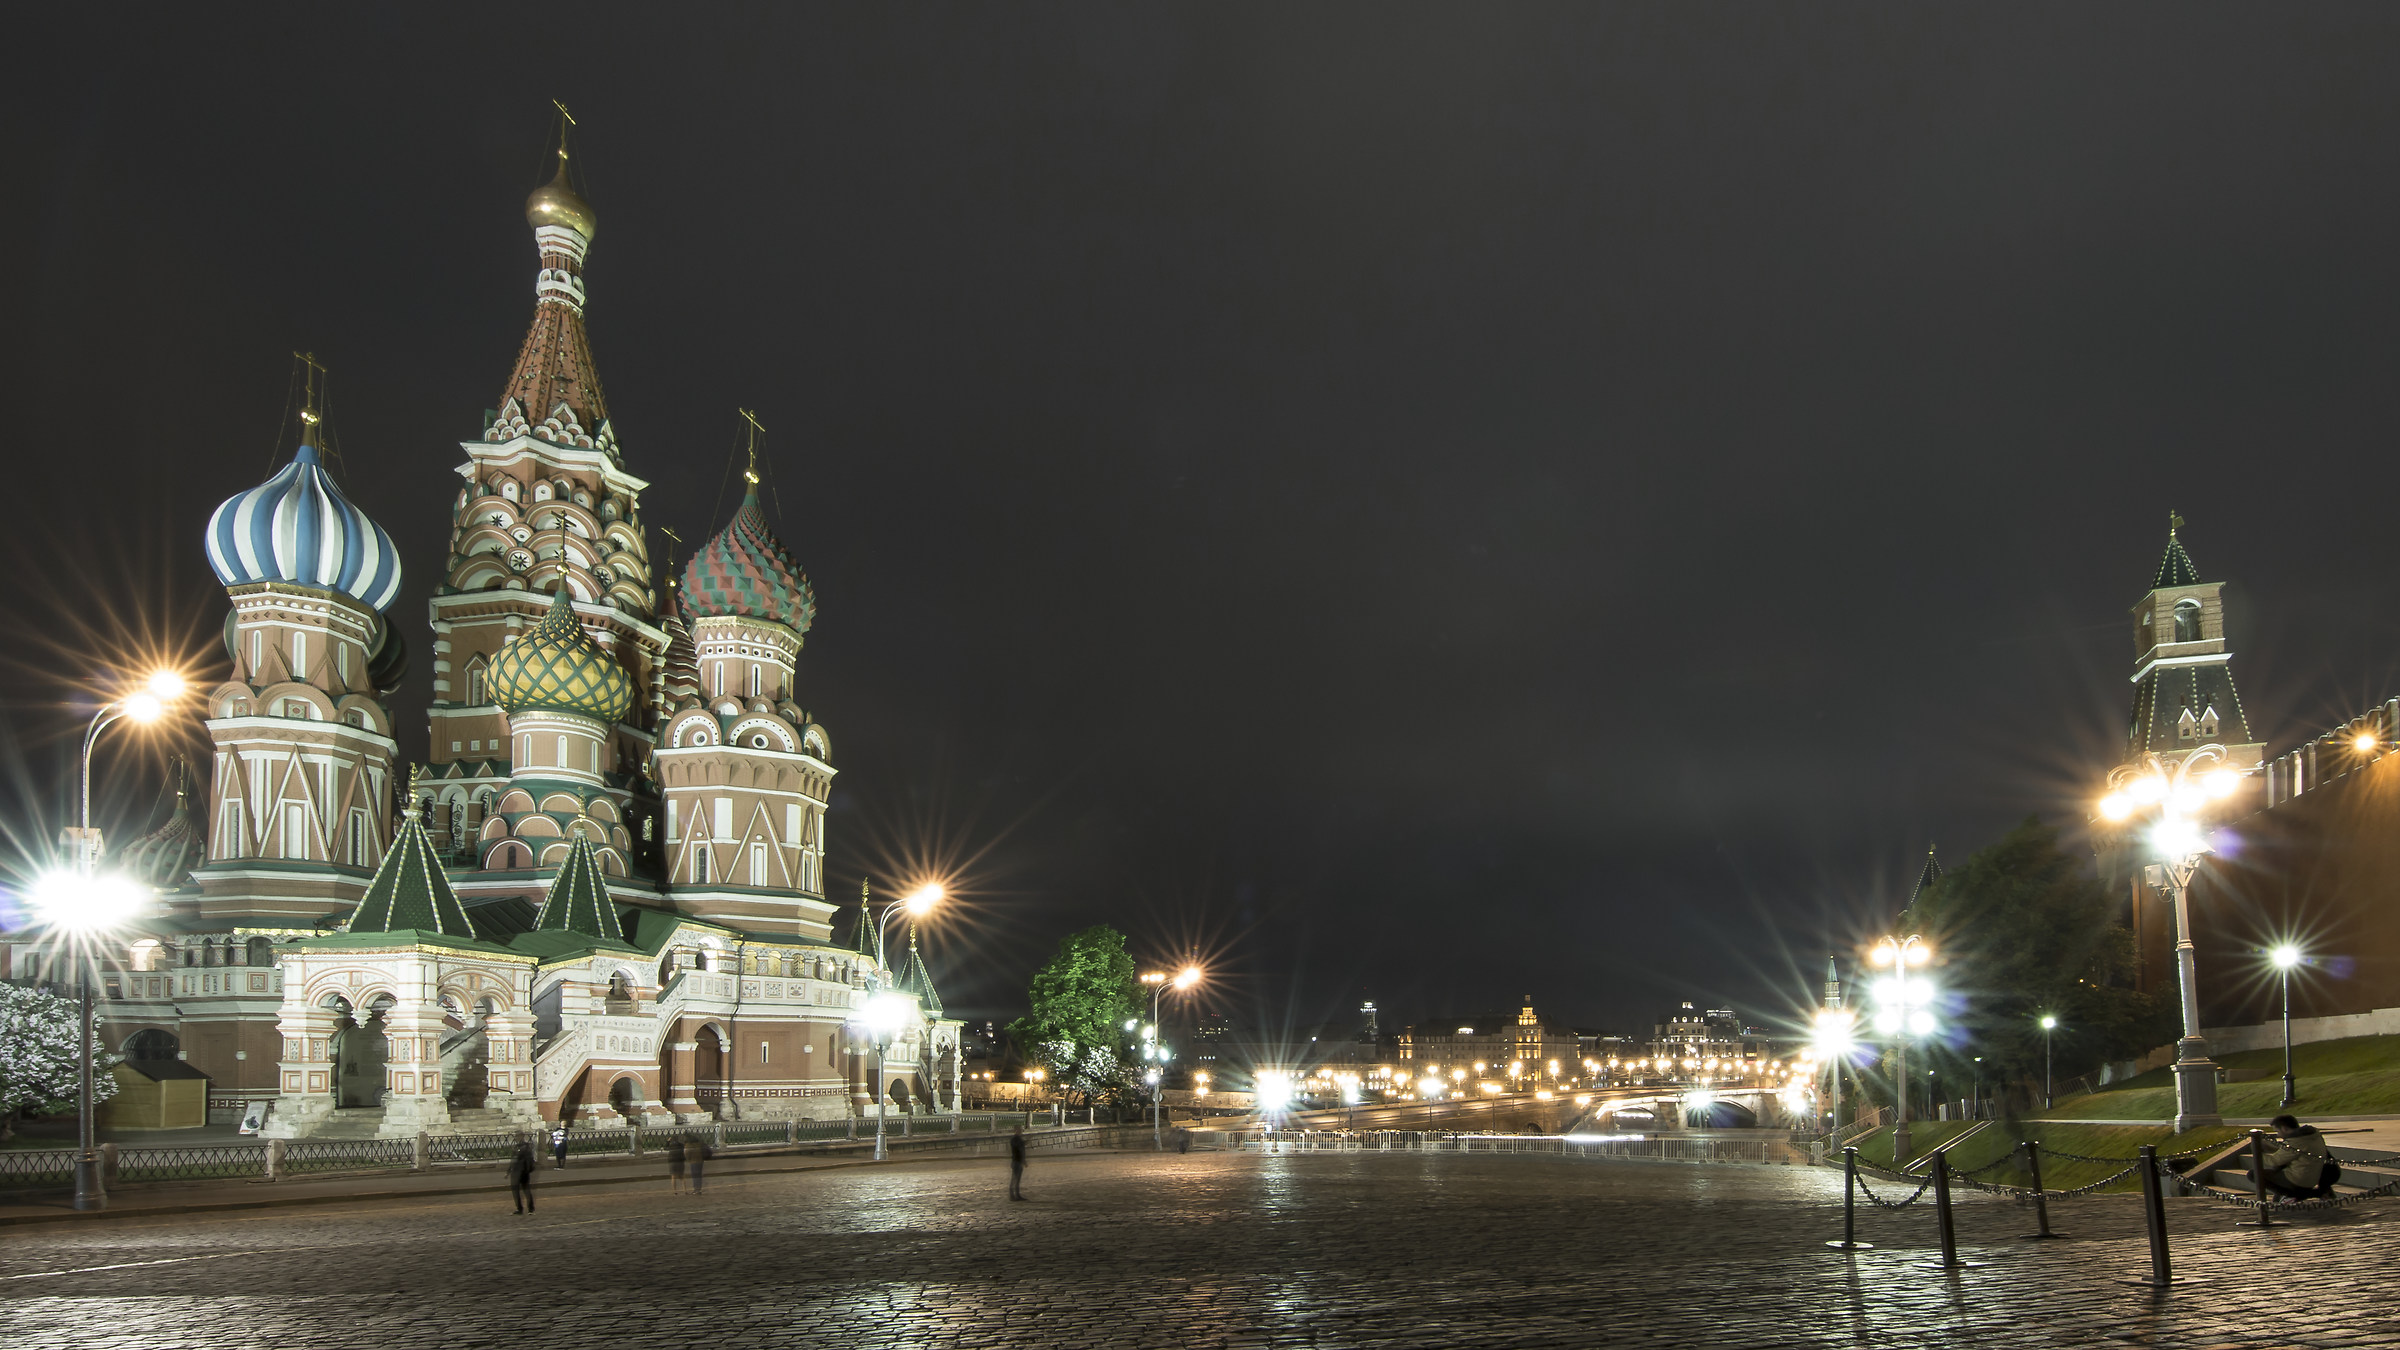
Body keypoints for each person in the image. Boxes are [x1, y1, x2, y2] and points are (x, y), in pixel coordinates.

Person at [2261, 1114, 2341, 1200]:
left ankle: (2313, 1194)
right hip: (2326, 1172)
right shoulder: (2311, 1135)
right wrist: (2268, 1148)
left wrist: (2257, 1153)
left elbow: (2274, 1161)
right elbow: (2288, 1152)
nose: (2278, 1135)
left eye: (2277, 1131)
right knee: (2279, 1167)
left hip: (2303, 1179)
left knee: (2254, 1174)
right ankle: (2316, 1193)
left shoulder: (2295, 1141)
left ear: (2284, 1128)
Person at [508, 1139, 538, 1214]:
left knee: (525, 1191)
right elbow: (513, 1161)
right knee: (517, 1191)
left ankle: (529, 1209)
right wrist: (508, 1171)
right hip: (517, 1172)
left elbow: (528, 1161)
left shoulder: (525, 1148)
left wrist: (527, 1170)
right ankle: (520, 1208)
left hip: (523, 1172)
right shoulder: (516, 1147)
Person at [1009, 1123, 1028, 1201]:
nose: (1021, 1131)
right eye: (1020, 1129)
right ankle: (1013, 1195)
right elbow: (1019, 1149)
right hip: (1016, 1161)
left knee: (1016, 1179)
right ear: (1016, 1130)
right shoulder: (1016, 1139)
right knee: (1015, 1179)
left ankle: (1016, 1195)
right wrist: (1023, 1160)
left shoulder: (1017, 1139)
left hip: (1017, 1161)